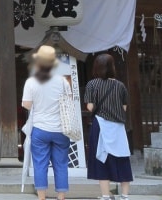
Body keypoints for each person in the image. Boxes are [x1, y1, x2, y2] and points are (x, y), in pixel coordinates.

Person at [21, 45, 74, 200]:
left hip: (40, 128)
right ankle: (61, 196)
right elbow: (69, 102)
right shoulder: (63, 81)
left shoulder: (31, 82)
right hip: (61, 129)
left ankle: (42, 197)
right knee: (61, 164)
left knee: (40, 164)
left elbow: (27, 104)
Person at [83, 53, 133, 200]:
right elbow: (124, 108)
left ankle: (105, 195)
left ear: (96, 67)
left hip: (100, 125)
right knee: (122, 157)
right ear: (112, 67)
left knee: (101, 158)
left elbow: (90, 107)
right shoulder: (120, 86)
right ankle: (124, 195)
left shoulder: (92, 84)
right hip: (117, 127)